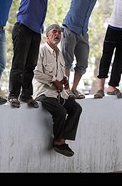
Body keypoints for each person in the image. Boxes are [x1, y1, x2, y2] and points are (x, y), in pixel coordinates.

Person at [8, 0, 63, 108]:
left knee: (31, 65)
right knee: (19, 64)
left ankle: (26, 95)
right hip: (23, 28)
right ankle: (13, 95)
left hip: (36, 31)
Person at [61, 0, 119, 99]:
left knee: (82, 63)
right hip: (70, 29)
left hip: (83, 32)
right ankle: (66, 89)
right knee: (67, 61)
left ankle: (74, 89)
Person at [33, 24, 82, 157]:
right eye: (54, 32)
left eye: (59, 33)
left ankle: (61, 140)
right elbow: (36, 73)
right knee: (61, 112)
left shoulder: (59, 53)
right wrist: (53, 81)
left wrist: (64, 79)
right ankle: (59, 143)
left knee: (76, 109)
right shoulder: (41, 50)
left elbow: (60, 73)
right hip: (43, 93)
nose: (57, 35)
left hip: (59, 94)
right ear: (47, 35)